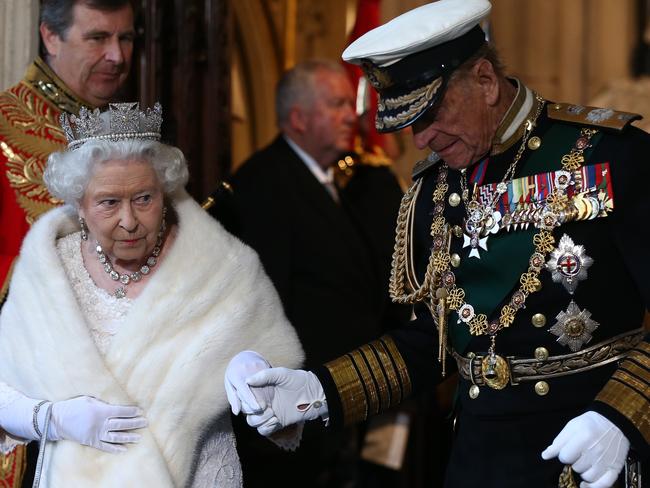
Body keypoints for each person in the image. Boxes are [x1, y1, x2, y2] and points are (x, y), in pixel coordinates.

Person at [225, 1, 650, 487]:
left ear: (485, 81)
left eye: (432, 112)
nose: (422, 138)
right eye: (410, 122)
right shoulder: (435, 188)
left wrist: (622, 416)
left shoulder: (610, 155)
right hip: (477, 460)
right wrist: (317, 392)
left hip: (592, 454)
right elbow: (435, 341)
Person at [0, 102, 303, 487]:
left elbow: (284, 388)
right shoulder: (51, 271)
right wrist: (53, 418)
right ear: (79, 204)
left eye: (144, 199)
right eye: (109, 202)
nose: (129, 221)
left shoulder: (218, 266)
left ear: (165, 191)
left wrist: (253, 362)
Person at [213, 60, 410, 487]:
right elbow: (264, 305)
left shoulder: (346, 181)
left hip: (351, 398)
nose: (351, 115)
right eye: (336, 104)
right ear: (299, 118)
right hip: (298, 415)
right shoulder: (263, 185)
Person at [0, 0, 135, 304]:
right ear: (50, 37)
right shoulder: (3, 125)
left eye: (125, 38)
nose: (117, 56)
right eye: (98, 38)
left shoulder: (135, 134)